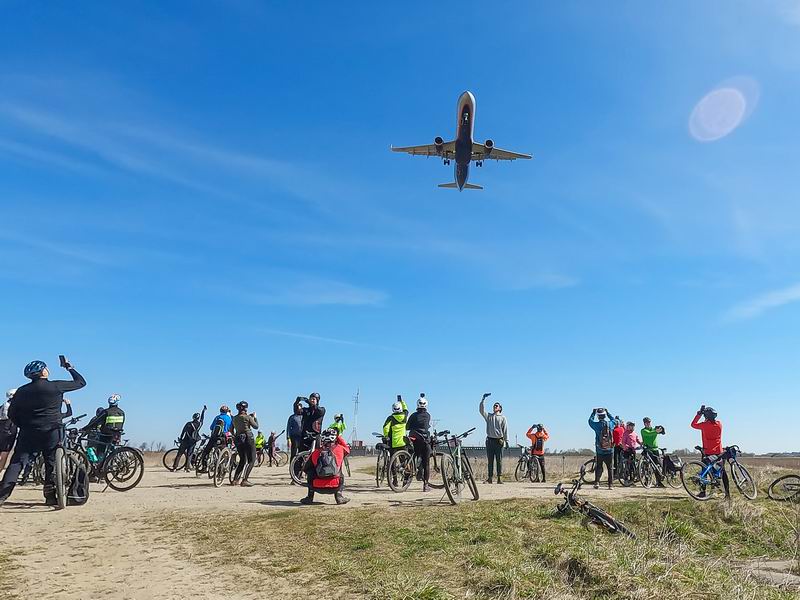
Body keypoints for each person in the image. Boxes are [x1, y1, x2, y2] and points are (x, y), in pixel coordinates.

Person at [0, 358, 86, 506]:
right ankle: (50, 497)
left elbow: (12, 413)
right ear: (43, 371)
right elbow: (80, 382)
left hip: (29, 431)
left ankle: (2, 495)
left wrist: (23, 425)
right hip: (52, 430)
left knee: (17, 463)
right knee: (51, 461)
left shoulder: (22, 391)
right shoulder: (56, 386)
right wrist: (69, 367)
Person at [300, 427, 350, 505]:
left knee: (310, 472)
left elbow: (305, 468)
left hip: (316, 486)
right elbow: (347, 449)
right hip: (335, 486)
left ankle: (310, 497)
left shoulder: (316, 452)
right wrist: (338, 437)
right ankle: (339, 496)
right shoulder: (340, 449)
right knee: (340, 472)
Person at [691, 405, 729, 497]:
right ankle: (727, 494)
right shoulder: (719, 424)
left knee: (704, 470)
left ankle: (703, 492)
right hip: (719, 452)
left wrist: (699, 414)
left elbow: (693, 424)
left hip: (707, 452)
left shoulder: (704, 425)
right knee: (722, 471)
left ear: (706, 416)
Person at [81, 394, 125, 462]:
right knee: (112, 450)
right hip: (117, 434)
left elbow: (95, 422)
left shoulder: (106, 412)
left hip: (106, 434)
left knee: (100, 450)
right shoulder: (122, 412)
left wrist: (84, 429)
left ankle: (100, 464)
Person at [479, 393, 508, 484]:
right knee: (490, 460)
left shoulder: (503, 418)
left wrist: (506, 441)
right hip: (490, 441)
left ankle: (499, 478)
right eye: (494, 405)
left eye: (497, 405)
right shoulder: (489, 416)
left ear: (500, 408)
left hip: (499, 441)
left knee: (499, 460)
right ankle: (490, 478)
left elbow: (505, 430)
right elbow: (481, 410)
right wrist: (483, 399)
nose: (495, 406)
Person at [406, 395, 432, 492]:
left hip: (414, 440)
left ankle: (405, 480)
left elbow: (407, 427)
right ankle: (425, 485)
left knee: (411, 457)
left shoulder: (413, 415)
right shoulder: (428, 415)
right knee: (426, 463)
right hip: (424, 440)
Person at [588, 408, 617, 490]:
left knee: (599, 467)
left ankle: (597, 482)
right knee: (610, 467)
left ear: (598, 416)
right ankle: (610, 484)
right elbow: (614, 420)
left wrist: (593, 413)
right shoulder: (610, 424)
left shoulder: (596, 425)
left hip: (599, 450)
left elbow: (590, 421)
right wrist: (608, 413)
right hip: (610, 450)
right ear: (605, 415)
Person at [231, 401, 258, 486]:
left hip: (238, 439)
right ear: (246, 408)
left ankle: (235, 480)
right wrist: (255, 418)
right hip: (248, 438)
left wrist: (235, 435)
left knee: (242, 460)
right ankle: (245, 480)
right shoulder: (248, 417)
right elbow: (256, 426)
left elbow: (231, 429)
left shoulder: (234, 418)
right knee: (251, 460)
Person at [172, 406, 207, 472]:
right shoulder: (199, 424)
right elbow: (202, 419)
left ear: (193, 417)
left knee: (179, 454)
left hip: (185, 441)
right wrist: (203, 411)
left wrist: (181, 438)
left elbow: (183, 432)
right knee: (189, 455)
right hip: (192, 442)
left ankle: (175, 468)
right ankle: (187, 468)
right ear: (198, 418)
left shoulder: (188, 424)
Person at [199, 405, 233, 471]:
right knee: (223, 451)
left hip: (214, 436)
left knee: (206, 451)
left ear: (220, 411)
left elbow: (211, 427)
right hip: (223, 437)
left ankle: (204, 467)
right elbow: (230, 428)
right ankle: (222, 467)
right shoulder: (229, 418)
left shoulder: (217, 417)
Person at [640, 417, 665, 487]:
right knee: (647, 466)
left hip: (655, 449)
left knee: (657, 465)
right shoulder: (643, 430)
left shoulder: (654, 429)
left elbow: (661, 432)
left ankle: (659, 482)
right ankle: (646, 481)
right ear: (644, 423)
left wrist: (661, 430)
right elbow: (649, 434)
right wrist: (657, 431)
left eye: (649, 422)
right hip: (648, 449)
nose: (648, 423)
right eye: (646, 422)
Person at [382, 396, 409, 460]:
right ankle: (404, 465)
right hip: (403, 442)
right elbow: (406, 409)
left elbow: (385, 428)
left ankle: (393, 466)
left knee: (393, 459)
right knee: (404, 460)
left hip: (394, 443)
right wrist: (401, 401)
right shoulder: (404, 416)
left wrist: (386, 435)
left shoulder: (390, 418)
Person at [0, 389, 18, 472]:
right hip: (8, 431)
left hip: (3, 429)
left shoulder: (3, 405)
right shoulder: (12, 407)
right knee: (5, 453)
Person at [287, 400, 303, 465]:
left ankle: (300, 467)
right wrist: (288, 438)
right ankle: (292, 466)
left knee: (301, 453)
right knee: (293, 453)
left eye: (299, 408)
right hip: (294, 437)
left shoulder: (304, 416)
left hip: (302, 437)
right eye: (297, 408)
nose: (298, 409)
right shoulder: (292, 417)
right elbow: (288, 428)